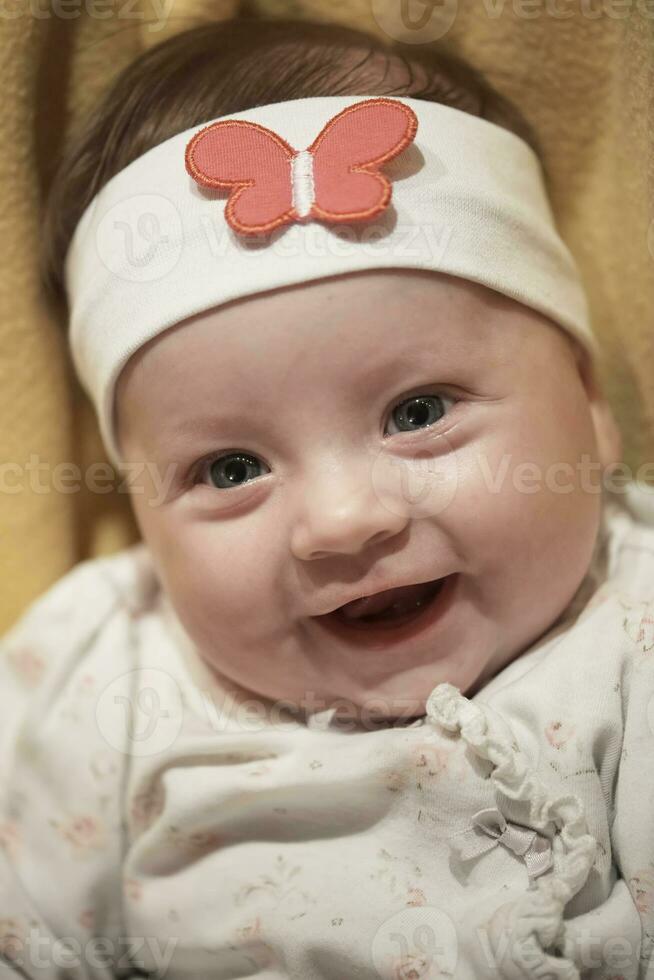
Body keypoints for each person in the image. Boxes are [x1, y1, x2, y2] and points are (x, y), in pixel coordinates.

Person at [1, 16, 652, 979]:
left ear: (592, 406)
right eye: (229, 470)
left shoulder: (630, 622)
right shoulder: (99, 673)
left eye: (418, 410)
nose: (344, 521)